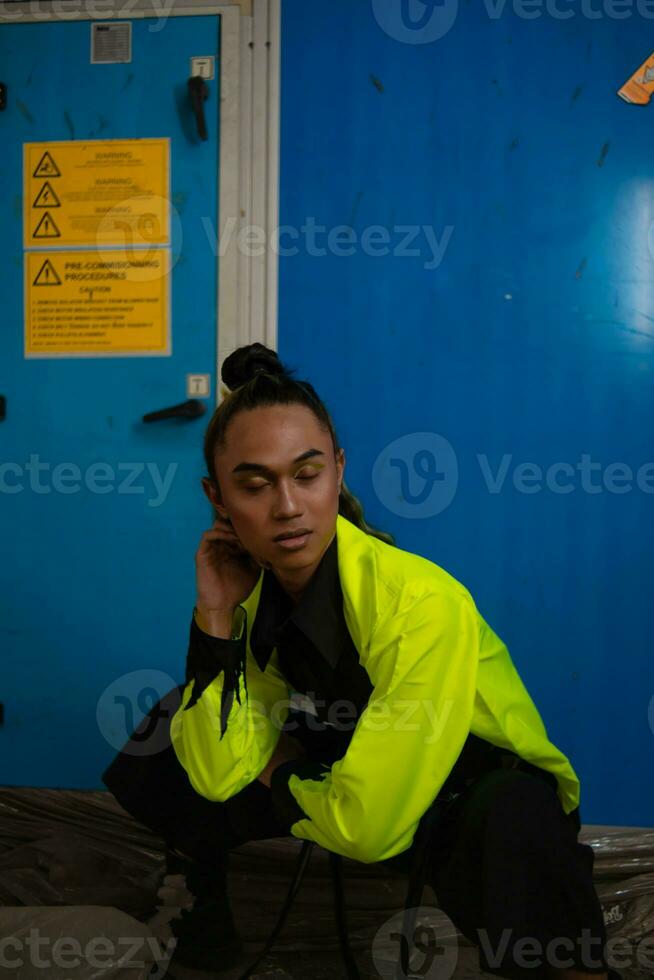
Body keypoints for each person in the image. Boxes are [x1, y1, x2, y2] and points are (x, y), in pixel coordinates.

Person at [103, 343, 617, 980]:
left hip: (467, 782)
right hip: (357, 757)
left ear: (339, 470)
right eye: (255, 484)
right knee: (174, 724)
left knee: (512, 815)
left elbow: (370, 828)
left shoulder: (417, 602)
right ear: (218, 498)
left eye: (307, 474)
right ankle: (204, 918)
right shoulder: (250, 593)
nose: (287, 507)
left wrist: (281, 770)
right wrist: (214, 620)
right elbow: (211, 770)